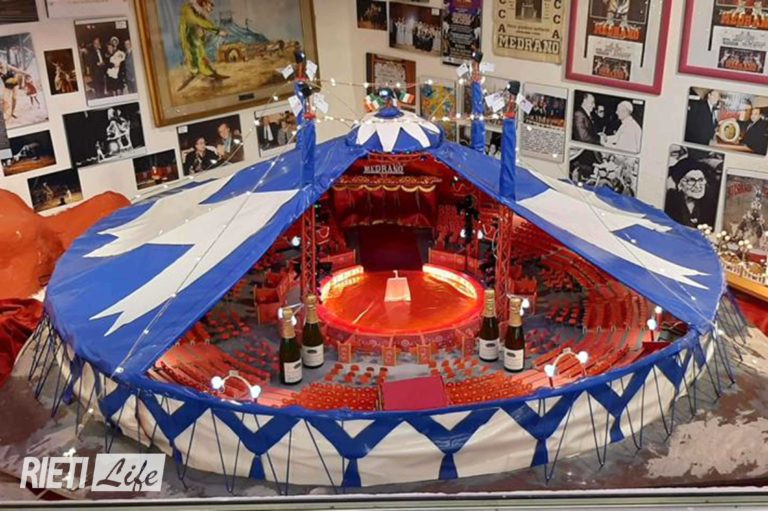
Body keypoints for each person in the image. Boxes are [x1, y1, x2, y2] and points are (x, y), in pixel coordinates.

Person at [178, 0, 229, 88]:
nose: (212, 8)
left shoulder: (199, 12)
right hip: (189, 38)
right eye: (210, 5)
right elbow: (198, 22)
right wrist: (217, 31)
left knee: (200, 54)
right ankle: (198, 73)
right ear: (204, 3)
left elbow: (203, 23)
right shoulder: (188, 10)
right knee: (195, 56)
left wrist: (214, 31)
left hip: (195, 38)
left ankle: (207, 73)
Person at [664, 158, 717, 228]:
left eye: (701, 180)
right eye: (691, 180)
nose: (697, 186)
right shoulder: (668, 203)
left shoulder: (711, 206)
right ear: (679, 185)